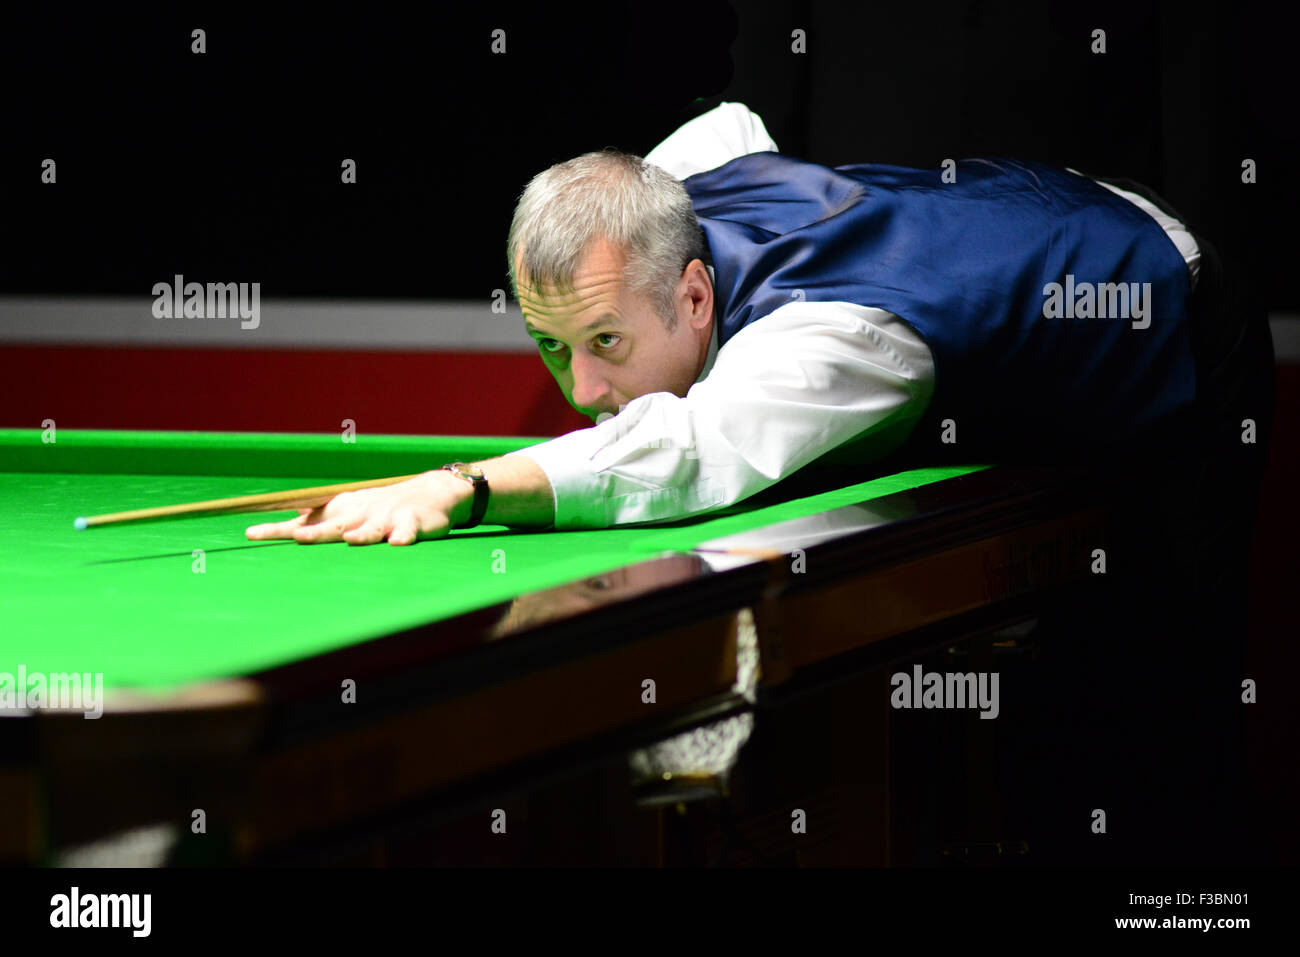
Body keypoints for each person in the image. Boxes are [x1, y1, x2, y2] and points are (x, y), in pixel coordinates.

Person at [247, 101, 1269, 550]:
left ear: (696, 296)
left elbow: (688, 455)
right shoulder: (680, 190)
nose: (580, 392)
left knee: (1146, 699)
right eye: (550, 347)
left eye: (605, 343)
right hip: (1035, 214)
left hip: (1160, 308)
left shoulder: (827, 341)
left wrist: (462, 488)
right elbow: (726, 124)